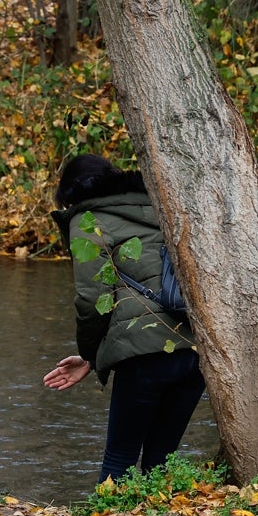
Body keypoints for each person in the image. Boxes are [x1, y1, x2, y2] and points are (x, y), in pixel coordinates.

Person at [42, 153, 206, 483]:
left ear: (70, 193)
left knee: (120, 457)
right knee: (162, 462)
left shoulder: (87, 220)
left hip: (144, 354)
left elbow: (91, 299)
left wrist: (89, 354)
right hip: (194, 351)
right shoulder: (161, 206)